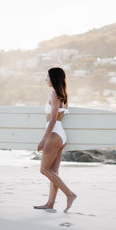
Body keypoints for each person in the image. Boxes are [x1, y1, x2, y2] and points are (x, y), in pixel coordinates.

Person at [34, 67, 77, 213]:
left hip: (53, 133)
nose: (45, 79)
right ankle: (50, 204)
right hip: (60, 134)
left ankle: (70, 194)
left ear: (53, 78)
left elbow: (52, 120)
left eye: (47, 77)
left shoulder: (54, 95)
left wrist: (43, 139)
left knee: (44, 170)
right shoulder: (64, 95)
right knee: (54, 171)